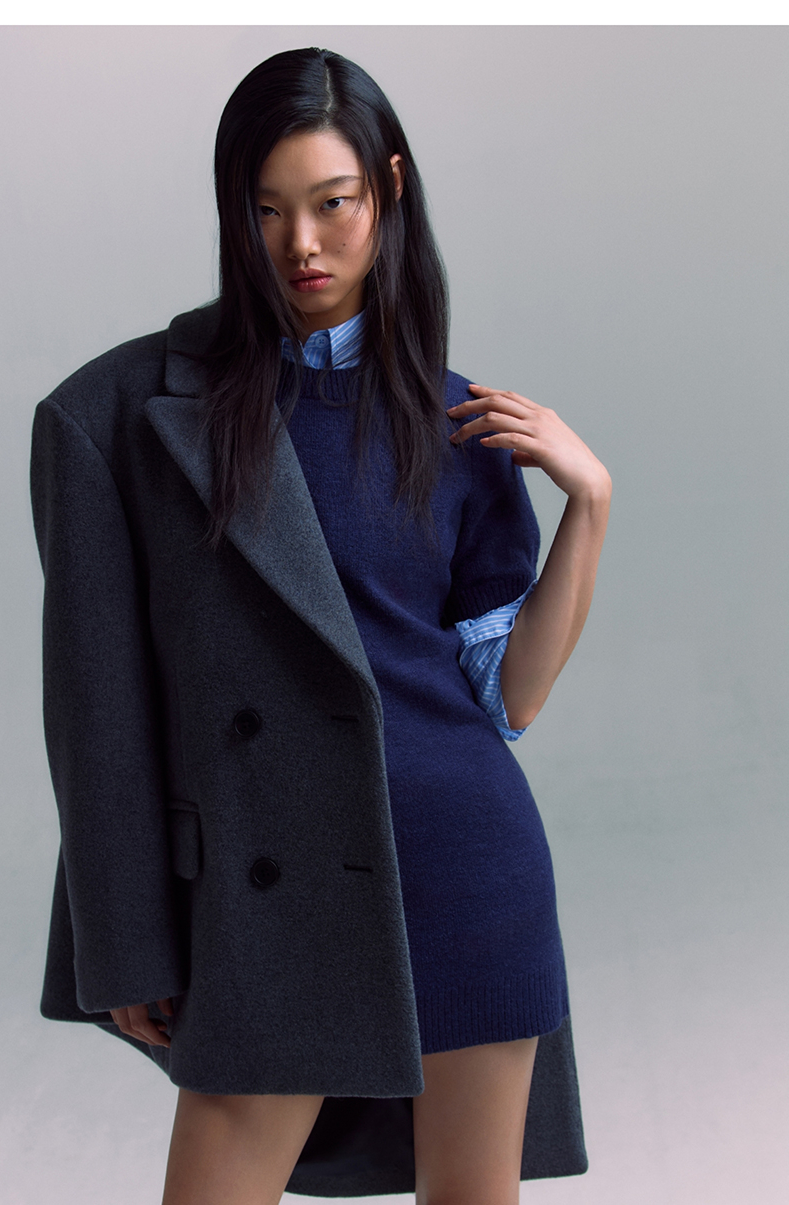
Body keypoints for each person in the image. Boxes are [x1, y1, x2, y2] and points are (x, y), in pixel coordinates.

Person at [30, 47, 610, 1205]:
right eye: (267, 210)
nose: (301, 243)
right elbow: (98, 714)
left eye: (333, 203)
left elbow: (509, 699)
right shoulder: (120, 417)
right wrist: (126, 936)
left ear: (387, 189)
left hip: (468, 875)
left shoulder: (458, 422)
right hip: (271, 897)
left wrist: (588, 504)